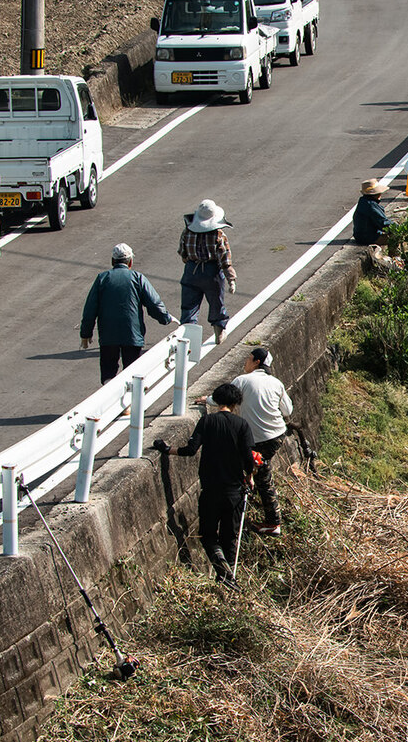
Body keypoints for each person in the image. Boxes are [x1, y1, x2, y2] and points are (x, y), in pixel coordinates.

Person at [154, 382, 256, 588]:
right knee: (229, 537)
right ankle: (227, 578)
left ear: (217, 400)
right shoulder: (242, 425)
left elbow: (190, 450)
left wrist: (166, 449)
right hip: (234, 491)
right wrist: (250, 477)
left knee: (208, 534)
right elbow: (249, 459)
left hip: (210, 489)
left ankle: (222, 571)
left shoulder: (207, 421)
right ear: (236, 403)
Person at [79, 243, 174, 383]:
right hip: (132, 335)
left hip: (108, 336)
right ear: (130, 261)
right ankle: (129, 402)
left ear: (112, 261)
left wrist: (85, 334)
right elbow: (154, 303)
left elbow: (90, 309)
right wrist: (165, 318)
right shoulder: (137, 278)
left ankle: (109, 397)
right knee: (132, 372)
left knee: (108, 373)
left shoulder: (102, 279)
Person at [232, 346, 293, 536]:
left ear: (257, 362)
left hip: (257, 440)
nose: (246, 362)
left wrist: (206, 399)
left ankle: (273, 523)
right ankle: (267, 516)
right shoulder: (276, 383)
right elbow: (288, 411)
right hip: (277, 436)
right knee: (259, 470)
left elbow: (225, 398)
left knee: (261, 475)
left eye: (248, 358)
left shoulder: (242, 380)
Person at [179, 199, 237, 346]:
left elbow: (183, 253)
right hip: (212, 272)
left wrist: (191, 262)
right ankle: (219, 331)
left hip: (191, 270)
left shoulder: (187, 232)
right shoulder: (218, 235)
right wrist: (231, 280)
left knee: (189, 307)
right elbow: (225, 259)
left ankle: (187, 339)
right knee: (216, 303)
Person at [352, 178, 392, 245]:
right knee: (397, 238)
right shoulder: (371, 205)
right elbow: (383, 223)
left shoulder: (363, 201)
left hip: (360, 235)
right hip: (368, 237)